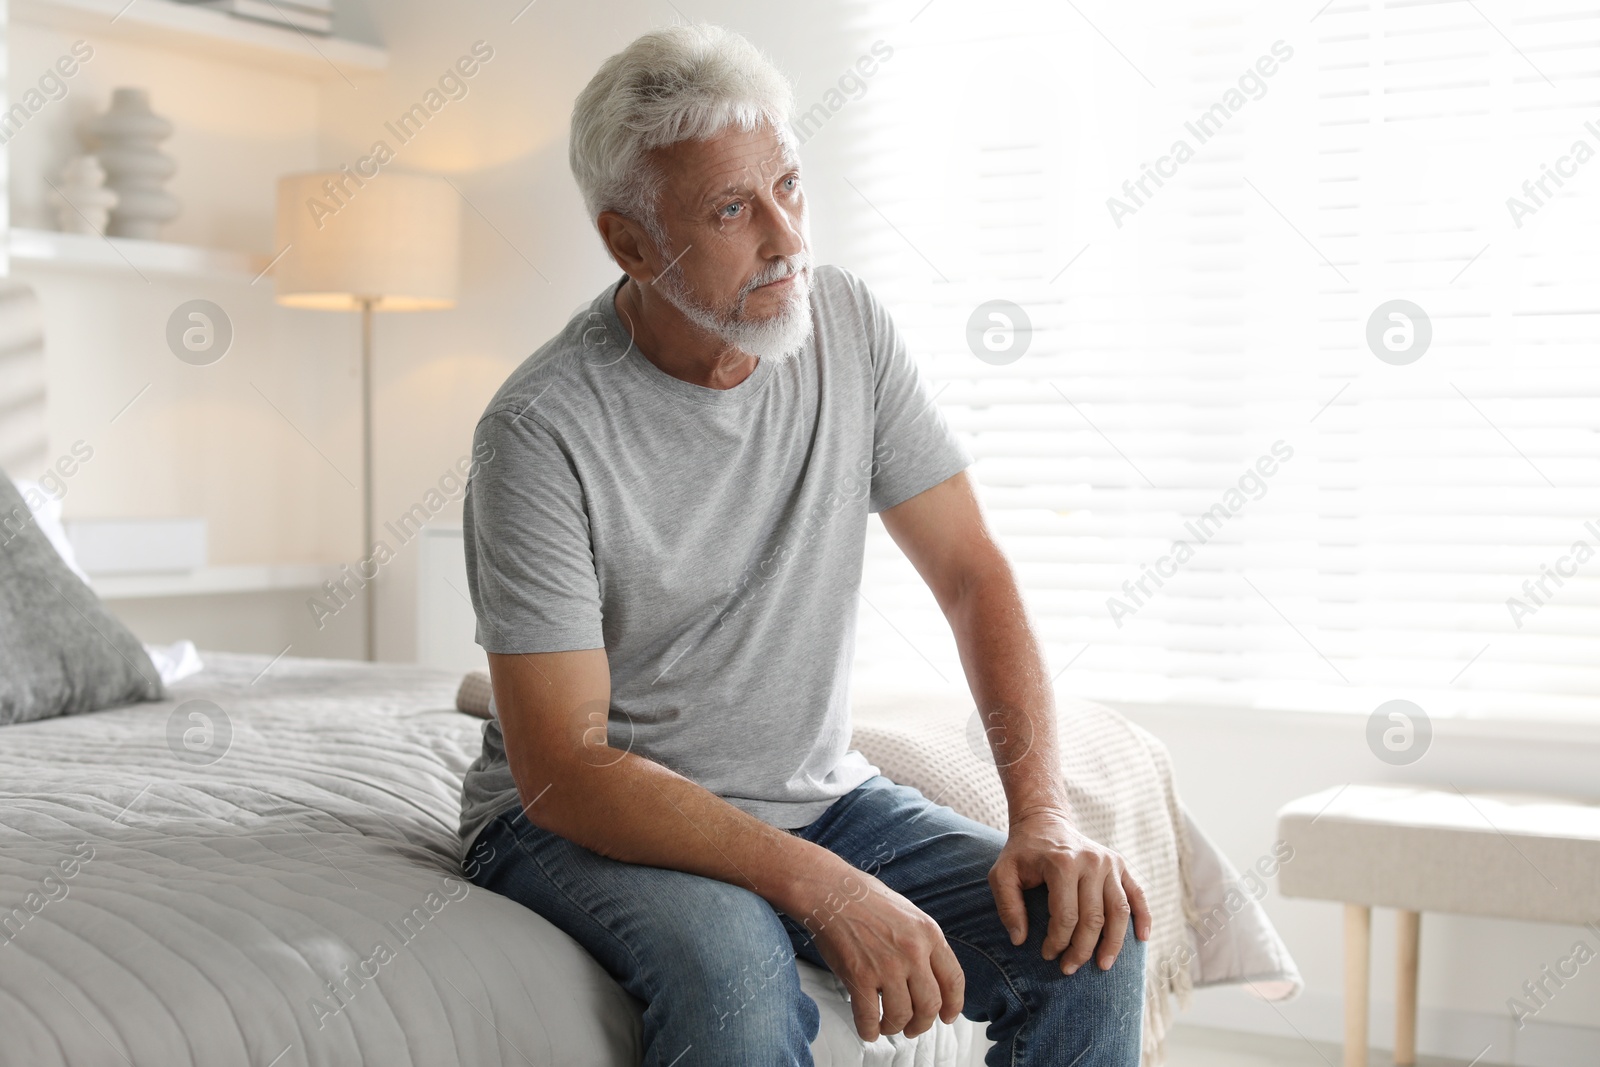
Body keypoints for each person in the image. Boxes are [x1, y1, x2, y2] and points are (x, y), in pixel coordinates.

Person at [457, 22, 1149, 1066]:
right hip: (571, 824)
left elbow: (969, 573)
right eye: (733, 209)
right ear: (630, 244)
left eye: (788, 186)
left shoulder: (847, 327)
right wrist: (817, 884)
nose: (786, 238)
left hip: (816, 797)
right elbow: (564, 766)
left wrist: (1040, 813)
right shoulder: (540, 431)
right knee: (737, 975)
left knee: (1087, 941)